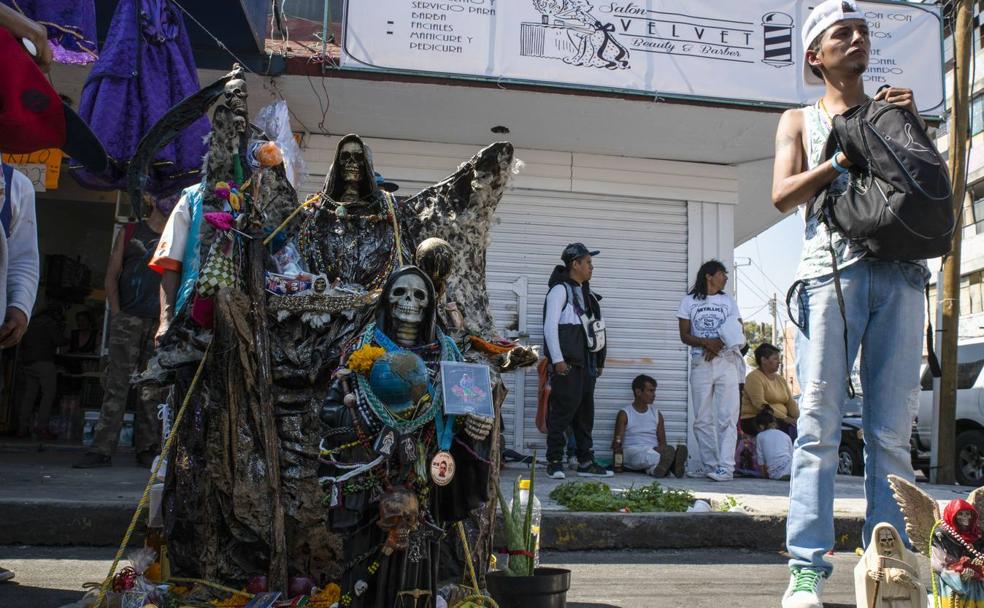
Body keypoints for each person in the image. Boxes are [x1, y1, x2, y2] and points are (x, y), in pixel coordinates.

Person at [771, 2, 927, 606]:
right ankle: (807, 568)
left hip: (902, 276)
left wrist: (910, 128)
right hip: (832, 275)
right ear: (816, 54)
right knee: (817, 426)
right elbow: (782, 194)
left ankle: (891, 563)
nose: (857, 38)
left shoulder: (893, 112)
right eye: (842, 33)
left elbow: (926, 192)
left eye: (862, 31)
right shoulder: (798, 119)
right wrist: (837, 158)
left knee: (892, 431)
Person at [74, 196, 171, 468]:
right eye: (165, 194)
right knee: (116, 383)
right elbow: (112, 274)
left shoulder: (177, 233)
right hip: (128, 318)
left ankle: (147, 448)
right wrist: (117, 313)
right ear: (151, 199)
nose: (171, 200)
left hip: (158, 322)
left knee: (151, 388)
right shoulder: (130, 232)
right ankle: (102, 448)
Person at [543, 242, 610, 480]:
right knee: (561, 414)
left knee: (585, 415)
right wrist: (558, 360)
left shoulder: (588, 294)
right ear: (575, 264)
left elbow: (596, 330)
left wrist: (599, 360)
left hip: (587, 366)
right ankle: (554, 461)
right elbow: (550, 327)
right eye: (588, 262)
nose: (592, 267)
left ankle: (585, 461)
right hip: (568, 365)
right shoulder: (560, 290)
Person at [677, 259, 741, 482]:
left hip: (727, 362)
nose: (725, 278)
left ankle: (726, 468)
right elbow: (684, 335)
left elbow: (736, 329)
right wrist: (706, 343)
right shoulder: (689, 301)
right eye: (722, 274)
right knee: (702, 418)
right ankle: (710, 465)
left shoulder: (728, 301)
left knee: (727, 417)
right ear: (709, 276)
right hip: (701, 363)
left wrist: (717, 345)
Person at [612, 374, 687, 478]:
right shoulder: (625, 413)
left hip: (653, 450)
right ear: (638, 392)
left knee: (658, 458)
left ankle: (659, 470)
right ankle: (672, 464)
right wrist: (617, 459)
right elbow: (617, 443)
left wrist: (660, 450)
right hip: (632, 452)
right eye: (650, 391)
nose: (654, 394)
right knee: (649, 456)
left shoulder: (656, 414)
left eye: (654, 391)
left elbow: (663, 444)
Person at [14, 305, 65, 438]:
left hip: (28, 362)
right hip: (44, 361)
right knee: (48, 395)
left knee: (29, 396)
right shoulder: (49, 323)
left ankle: (22, 428)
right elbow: (59, 340)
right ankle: (41, 427)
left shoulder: (30, 322)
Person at [741, 343, 798, 436]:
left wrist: (798, 418)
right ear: (764, 360)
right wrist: (785, 418)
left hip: (781, 419)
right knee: (782, 429)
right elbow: (760, 404)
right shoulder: (754, 377)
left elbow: (790, 401)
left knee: (803, 427)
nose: (779, 362)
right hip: (756, 419)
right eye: (775, 359)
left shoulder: (781, 379)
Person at [754, 407, 793, 481]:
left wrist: (764, 477)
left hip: (774, 474)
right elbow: (791, 454)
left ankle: (786, 474)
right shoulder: (785, 435)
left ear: (760, 426)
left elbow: (761, 461)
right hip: (789, 466)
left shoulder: (760, 436)